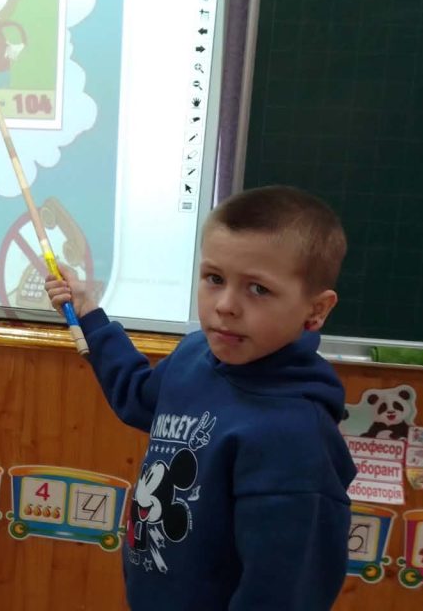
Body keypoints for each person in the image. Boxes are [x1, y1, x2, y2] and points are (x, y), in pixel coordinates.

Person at [45, 185, 357, 610]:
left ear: (316, 310)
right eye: (214, 279)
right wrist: (89, 314)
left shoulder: (297, 439)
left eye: (258, 289)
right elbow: (138, 396)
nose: (225, 305)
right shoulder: (194, 355)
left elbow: (284, 592)